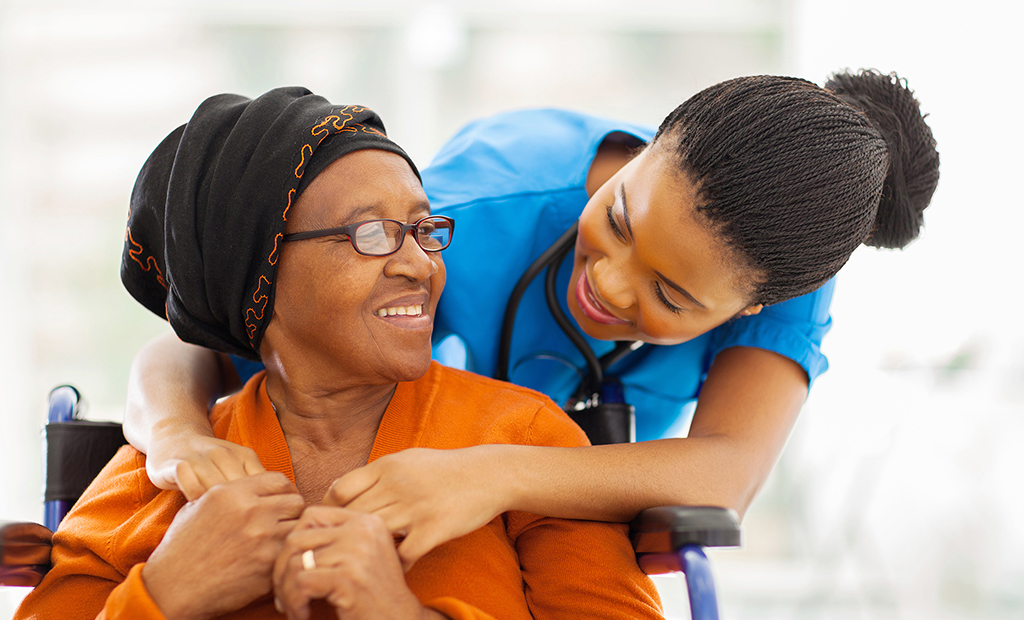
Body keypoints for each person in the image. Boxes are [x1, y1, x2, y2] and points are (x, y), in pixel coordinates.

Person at [0, 88, 687, 620]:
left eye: (424, 228)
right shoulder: (161, 472)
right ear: (258, 275)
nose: (420, 264)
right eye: (372, 234)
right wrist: (169, 597)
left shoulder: (522, 438)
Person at [123, 70, 940, 568]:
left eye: (672, 296)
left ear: (753, 306)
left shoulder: (782, 272)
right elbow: (185, 347)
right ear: (649, 147)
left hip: (534, 565)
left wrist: (490, 471)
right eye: (618, 219)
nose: (612, 288)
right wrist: (177, 437)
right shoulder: (475, 209)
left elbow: (726, 474)